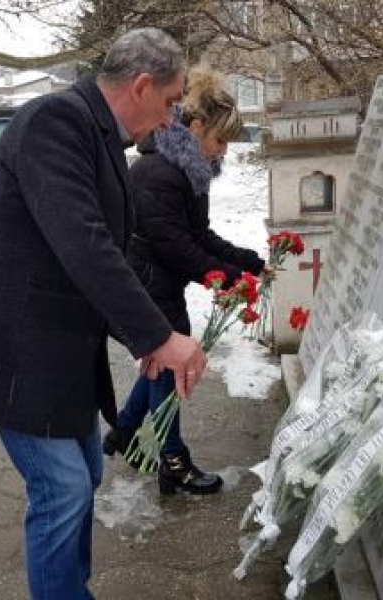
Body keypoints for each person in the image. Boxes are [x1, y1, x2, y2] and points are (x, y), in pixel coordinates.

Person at [0, 28, 208, 600]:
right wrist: (157, 336)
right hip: (17, 353)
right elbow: (84, 243)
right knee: (62, 490)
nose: (170, 120)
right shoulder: (54, 123)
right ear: (141, 85)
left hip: (58, 354)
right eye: (170, 102)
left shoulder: (96, 134)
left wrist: (147, 338)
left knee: (84, 477)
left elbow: (108, 250)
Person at [103, 66, 266, 495]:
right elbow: (176, 246)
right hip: (146, 281)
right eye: (220, 140)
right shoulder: (160, 172)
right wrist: (227, 277)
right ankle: (173, 459)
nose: (223, 151)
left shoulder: (189, 169)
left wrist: (244, 260)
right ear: (194, 128)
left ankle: (123, 431)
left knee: (159, 365)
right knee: (169, 363)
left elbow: (198, 235)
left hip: (161, 278)